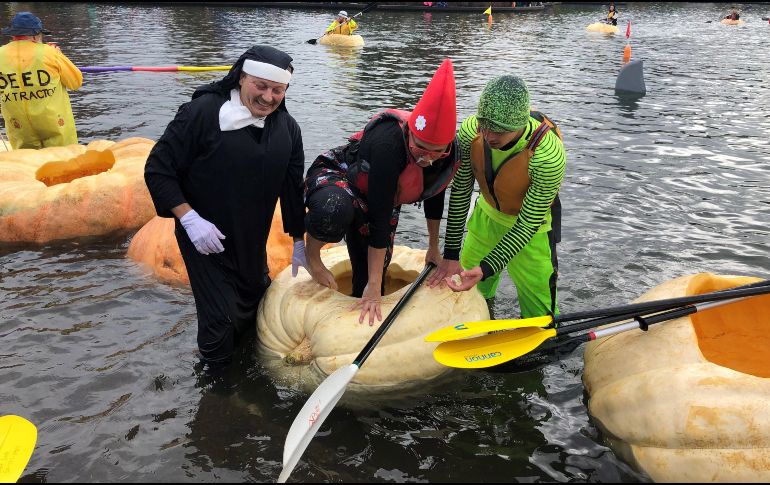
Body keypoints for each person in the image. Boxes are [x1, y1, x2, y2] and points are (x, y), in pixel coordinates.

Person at [144, 45, 307, 367]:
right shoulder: (201, 113)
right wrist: (189, 219)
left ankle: (244, 377)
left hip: (252, 239)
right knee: (219, 321)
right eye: (260, 86)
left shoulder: (288, 129)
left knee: (256, 307)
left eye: (277, 90)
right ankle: (215, 384)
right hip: (205, 239)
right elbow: (158, 170)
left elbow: (292, 190)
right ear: (241, 78)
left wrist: (299, 241)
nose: (268, 97)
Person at [301, 59, 459, 325]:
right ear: (410, 133)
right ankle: (312, 256)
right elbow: (379, 219)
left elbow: (435, 193)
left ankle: (358, 314)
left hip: (384, 192)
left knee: (370, 275)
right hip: (340, 175)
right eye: (420, 147)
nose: (427, 158)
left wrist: (434, 247)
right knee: (335, 208)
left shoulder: (450, 152)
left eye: (436, 152)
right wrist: (373, 287)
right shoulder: (389, 145)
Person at [434, 75, 566, 320]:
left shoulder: (548, 155)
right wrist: (451, 253)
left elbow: (528, 224)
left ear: (520, 124)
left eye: (499, 130)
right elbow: (461, 191)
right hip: (486, 219)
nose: (488, 136)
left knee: (541, 316)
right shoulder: (470, 132)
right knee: (467, 299)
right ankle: (484, 317)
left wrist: (486, 268)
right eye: (484, 126)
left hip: (532, 232)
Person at [0, 12, 82, 149]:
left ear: (13, 35)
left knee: (27, 161)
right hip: (54, 124)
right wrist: (59, 55)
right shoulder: (49, 52)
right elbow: (75, 82)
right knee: (64, 159)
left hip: (19, 127)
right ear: (35, 35)